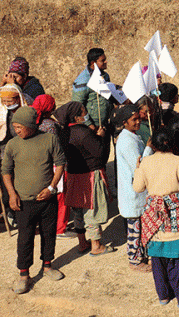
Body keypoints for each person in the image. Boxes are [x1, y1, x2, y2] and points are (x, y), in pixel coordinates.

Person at [133, 127, 179, 308]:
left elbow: (138, 188)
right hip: (177, 215)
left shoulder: (145, 163)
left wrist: (139, 168)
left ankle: (163, 296)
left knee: (157, 258)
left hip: (153, 216)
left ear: (153, 144)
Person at [2, 107, 66, 294]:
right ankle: (24, 274)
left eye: (20, 127)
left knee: (49, 233)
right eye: (15, 127)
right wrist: (12, 195)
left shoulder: (49, 139)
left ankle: (47, 266)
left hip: (47, 199)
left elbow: (60, 164)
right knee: (25, 238)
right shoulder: (12, 145)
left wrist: (51, 188)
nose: (17, 130)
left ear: (31, 125)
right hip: (24, 201)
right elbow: (6, 171)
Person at [64, 99, 112, 256]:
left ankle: (82, 243)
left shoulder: (64, 132)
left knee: (77, 210)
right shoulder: (83, 133)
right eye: (84, 111)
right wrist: (101, 137)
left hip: (72, 175)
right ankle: (96, 245)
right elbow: (98, 152)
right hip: (89, 176)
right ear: (77, 117)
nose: (87, 114)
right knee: (91, 209)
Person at [113, 104, 148, 270]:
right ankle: (135, 260)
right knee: (134, 230)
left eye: (138, 118)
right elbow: (138, 165)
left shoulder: (131, 136)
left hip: (136, 192)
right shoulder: (127, 141)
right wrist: (149, 147)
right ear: (125, 122)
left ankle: (140, 255)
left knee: (139, 228)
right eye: (133, 120)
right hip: (133, 193)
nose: (137, 122)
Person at [70, 48, 111, 131]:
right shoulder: (83, 80)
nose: (106, 62)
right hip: (92, 128)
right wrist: (90, 125)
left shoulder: (105, 76)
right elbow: (77, 105)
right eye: (103, 60)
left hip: (104, 125)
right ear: (93, 63)